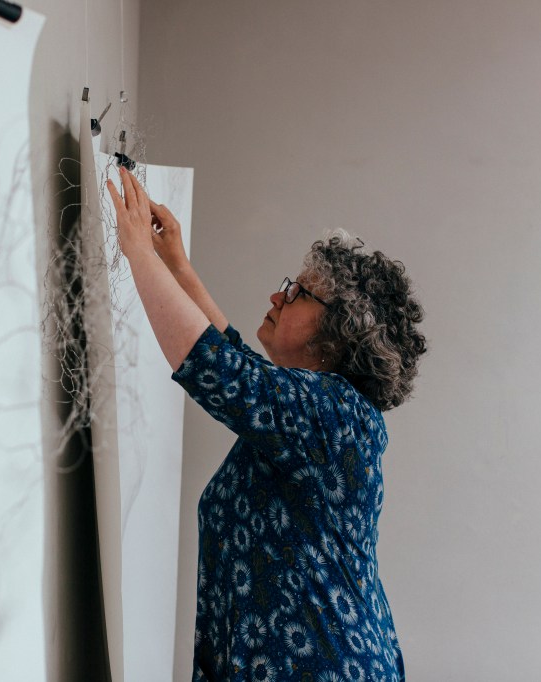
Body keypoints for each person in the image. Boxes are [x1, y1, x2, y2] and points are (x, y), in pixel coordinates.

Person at [107, 167, 426, 682]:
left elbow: (219, 369)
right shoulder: (312, 418)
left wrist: (139, 252)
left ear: (338, 334)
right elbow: (235, 361)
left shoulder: (337, 417)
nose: (279, 296)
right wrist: (175, 264)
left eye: (298, 293)